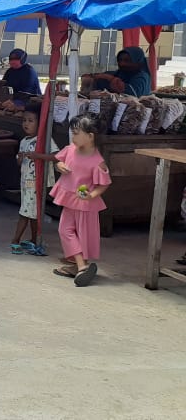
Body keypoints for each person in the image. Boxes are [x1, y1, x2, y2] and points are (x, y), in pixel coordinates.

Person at [34, 114, 111, 287]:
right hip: (70, 200)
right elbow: (58, 162)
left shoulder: (97, 162)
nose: (73, 136)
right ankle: (80, 266)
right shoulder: (70, 149)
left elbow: (104, 184)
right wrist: (59, 166)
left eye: (76, 133)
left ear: (90, 136)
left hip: (85, 204)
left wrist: (91, 195)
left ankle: (81, 266)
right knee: (66, 230)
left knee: (81, 234)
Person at [11, 103, 58, 255]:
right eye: (24, 120)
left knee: (26, 212)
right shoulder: (24, 141)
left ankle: (16, 240)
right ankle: (33, 239)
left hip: (36, 183)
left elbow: (56, 156)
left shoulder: (44, 140)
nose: (26, 123)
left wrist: (38, 156)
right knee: (32, 212)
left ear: (40, 123)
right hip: (26, 183)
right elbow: (19, 162)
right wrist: (19, 158)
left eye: (31, 120)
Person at [82, 47, 152, 96]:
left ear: (137, 61)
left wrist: (109, 78)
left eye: (127, 61)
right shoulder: (120, 73)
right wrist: (92, 77)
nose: (122, 64)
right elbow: (104, 77)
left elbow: (132, 93)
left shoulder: (142, 77)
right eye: (120, 60)